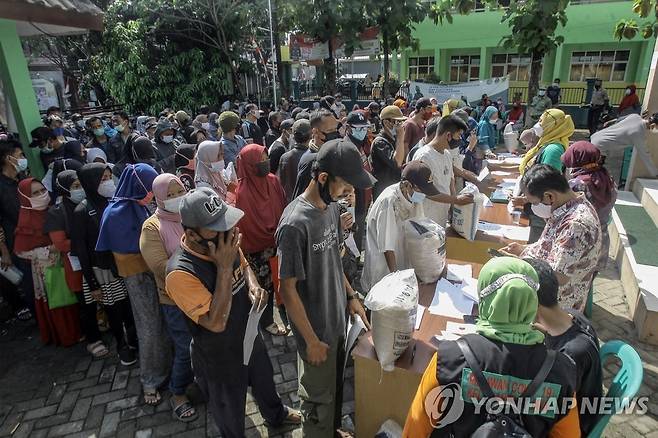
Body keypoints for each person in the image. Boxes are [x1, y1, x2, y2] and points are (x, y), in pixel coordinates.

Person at [165, 187, 301, 437]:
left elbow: (244, 263)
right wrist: (224, 267)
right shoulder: (179, 273)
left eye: (226, 223)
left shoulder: (223, 243)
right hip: (219, 355)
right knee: (229, 407)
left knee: (264, 380)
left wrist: (253, 284)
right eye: (215, 228)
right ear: (193, 235)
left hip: (248, 334)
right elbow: (215, 323)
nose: (227, 232)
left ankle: (276, 416)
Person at [403, 257, 580, 437]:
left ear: (486, 300)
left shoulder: (449, 359)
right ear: (532, 303)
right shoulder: (561, 372)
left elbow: (416, 429)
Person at [276, 139, 373, 438]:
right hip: (315, 334)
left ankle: (332, 431)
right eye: (344, 185)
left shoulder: (330, 209)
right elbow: (287, 290)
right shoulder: (294, 225)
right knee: (317, 403)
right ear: (322, 178)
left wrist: (351, 296)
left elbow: (333, 259)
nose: (349, 192)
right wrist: (311, 341)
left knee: (335, 390)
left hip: (338, 325)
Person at [96, 163, 172, 405]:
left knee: (169, 321)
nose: (151, 194)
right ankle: (151, 378)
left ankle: (173, 366)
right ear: (139, 187)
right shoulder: (116, 213)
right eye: (148, 188)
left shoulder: (144, 204)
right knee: (149, 326)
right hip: (139, 276)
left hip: (160, 271)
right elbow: (119, 252)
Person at [501, 164, 602, 312]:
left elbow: (558, 276)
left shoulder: (575, 225)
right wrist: (524, 250)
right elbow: (552, 246)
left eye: (535, 203)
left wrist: (520, 264)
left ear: (549, 196)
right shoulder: (569, 206)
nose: (534, 206)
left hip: (555, 309)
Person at [139, 173, 197, 422]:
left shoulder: (192, 214)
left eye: (179, 191)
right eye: (169, 195)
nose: (176, 198)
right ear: (159, 198)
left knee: (207, 343)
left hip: (205, 293)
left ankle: (203, 382)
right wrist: (200, 262)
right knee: (186, 348)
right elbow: (160, 266)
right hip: (174, 299)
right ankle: (178, 392)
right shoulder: (152, 227)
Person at [525, 257, 603, 436]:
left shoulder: (570, 353)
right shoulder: (571, 315)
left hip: (572, 426)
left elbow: (553, 406)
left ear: (531, 303)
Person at [72, 163, 137, 365]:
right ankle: (122, 345)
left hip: (123, 264)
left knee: (130, 308)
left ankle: (135, 340)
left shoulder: (116, 201)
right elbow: (81, 250)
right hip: (102, 270)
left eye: (109, 177)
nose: (108, 182)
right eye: (103, 179)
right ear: (91, 183)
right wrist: (92, 284)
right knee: (114, 310)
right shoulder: (82, 210)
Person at [46, 169, 109, 357]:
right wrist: (86, 241)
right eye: (75, 187)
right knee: (86, 303)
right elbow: (60, 243)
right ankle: (93, 339)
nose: (79, 189)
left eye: (81, 185)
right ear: (65, 189)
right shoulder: (57, 212)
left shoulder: (92, 202)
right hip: (76, 265)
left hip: (96, 259)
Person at [14, 177, 81, 346]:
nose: (41, 195)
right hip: (46, 269)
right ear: (25, 197)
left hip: (65, 261)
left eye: (43, 190)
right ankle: (65, 335)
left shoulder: (55, 210)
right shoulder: (26, 219)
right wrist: (47, 250)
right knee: (58, 299)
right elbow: (20, 250)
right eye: (35, 193)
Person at [235, 144, 288, 336]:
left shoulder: (273, 181)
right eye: (261, 160)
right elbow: (248, 226)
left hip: (278, 242)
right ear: (250, 165)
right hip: (257, 250)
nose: (266, 163)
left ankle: (286, 312)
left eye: (267, 158)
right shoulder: (242, 193)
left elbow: (283, 207)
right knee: (265, 287)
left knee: (283, 279)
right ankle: (266, 321)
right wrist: (269, 236)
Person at [361, 161, 433, 291]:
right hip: (384, 268)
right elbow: (386, 247)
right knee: (383, 300)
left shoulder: (414, 197)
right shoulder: (388, 202)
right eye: (421, 190)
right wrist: (396, 278)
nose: (424, 195)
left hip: (402, 262)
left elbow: (419, 229)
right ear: (407, 185)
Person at [515, 108, 575, 243]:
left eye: (542, 121)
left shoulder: (553, 149)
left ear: (553, 125)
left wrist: (525, 199)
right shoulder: (547, 142)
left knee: (535, 242)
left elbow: (546, 183)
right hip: (534, 199)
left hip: (541, 205)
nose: (538, 124)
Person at [561, 141, 617, 269]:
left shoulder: (578, 185)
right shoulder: (607, 178)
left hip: (579, 239)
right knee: (590, 274)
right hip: (601, 237)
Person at [415, 115, 475, 228]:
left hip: (441, 217)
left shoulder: (446, 154)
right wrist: (456, 199)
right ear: (448, 135)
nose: (460, 140)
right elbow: (426, 191)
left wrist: (453, 207)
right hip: (426, 219)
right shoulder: (424, 156)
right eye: (458, 136)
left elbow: (450, 182)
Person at [0, 140, 33, 321]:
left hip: (34, 239)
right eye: (20, 155)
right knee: (29, 284)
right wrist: (4, 252)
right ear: (8, 158)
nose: (23, 159)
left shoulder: (21, 180)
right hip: (17, 244)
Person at [590, 111, 658, 186]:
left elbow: (619, 120)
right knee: (593, 172)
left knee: (592, 170)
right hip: (599, 147)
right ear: (653, 125)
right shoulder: (639, 134)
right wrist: (655, 173)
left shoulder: (635, 116)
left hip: (596, 137)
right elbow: (645, 156)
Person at [291, 110, 339, 200]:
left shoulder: (330, 153)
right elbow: (301, 200)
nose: (334, 134)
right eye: (330, 130)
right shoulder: (312, 161)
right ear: (315, 132)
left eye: (335, 130)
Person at [370, 105, 407, 199]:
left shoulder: (393, 139)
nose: (401, 125)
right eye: (397, 122)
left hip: (394, 189)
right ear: (387, 122)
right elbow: (397, 163)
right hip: (383, 192)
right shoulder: (380, 142)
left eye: (402, 122)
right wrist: (400, 137)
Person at [277, 119, 311, 203]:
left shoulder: (284, 157)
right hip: (307, 205)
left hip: (289, 204)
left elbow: (281, 183)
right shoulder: (312, 157)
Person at [463, 105, 498, 175]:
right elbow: (483, 141)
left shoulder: (490, 124)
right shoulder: (484, 124)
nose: (495, 118)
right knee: (480, 172)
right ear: (488, 115)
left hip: (485, 152)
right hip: (480, 153)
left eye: (496, 116)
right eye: (493, 116)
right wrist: (488, 152)